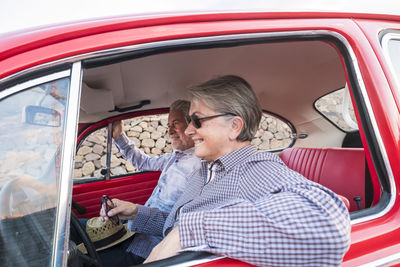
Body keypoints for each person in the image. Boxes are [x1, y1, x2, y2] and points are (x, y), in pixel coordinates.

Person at [103, 75, 351, 267]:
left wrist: (188, 232)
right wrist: (137, 212)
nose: (189, 131)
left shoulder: (256, 168)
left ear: (234, 127)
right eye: (188, 121)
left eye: (197, 121)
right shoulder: (204, 170)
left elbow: (327, 221)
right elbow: (173, 225)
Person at [76, 99, 201, 266]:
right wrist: (119, 137)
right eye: (168, 125)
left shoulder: (200, 170)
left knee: (78, 261)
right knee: (74, 227)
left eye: (176, 123)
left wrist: (136, 211)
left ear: (192, 126)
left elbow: (180, 226)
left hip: (148, 251)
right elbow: (143, 162)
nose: (170, 130)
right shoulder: (174, 158)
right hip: (132, 232)